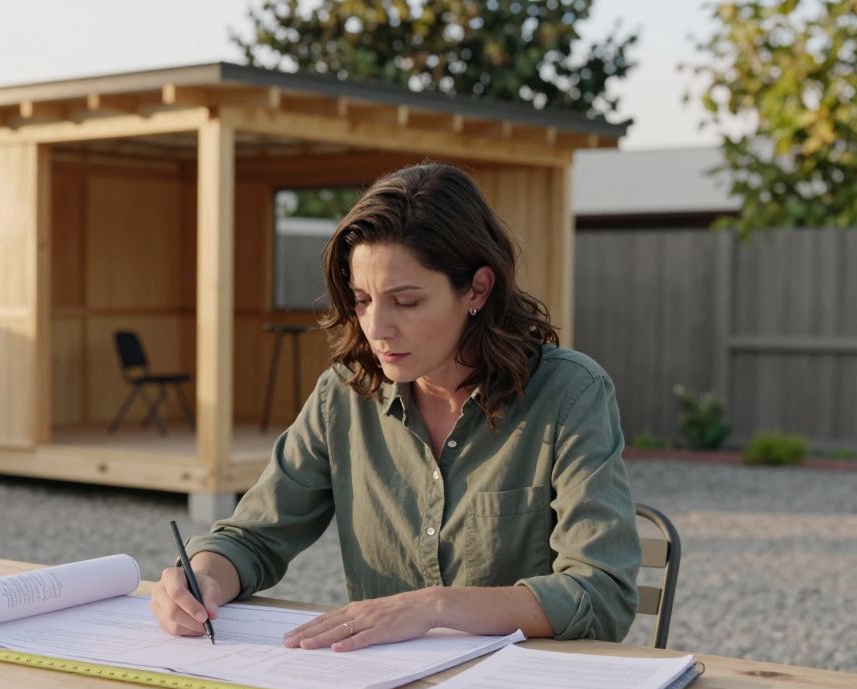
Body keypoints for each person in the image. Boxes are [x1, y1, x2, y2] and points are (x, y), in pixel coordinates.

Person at [150, 162, 641, 652]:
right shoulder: (343, 395)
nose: (377, 327)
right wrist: (202, 577)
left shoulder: (571, 394)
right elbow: (253, 537)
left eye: (405, 302)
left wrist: (432, 607)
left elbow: (600, 595)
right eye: (362, 300)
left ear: (477, 289)